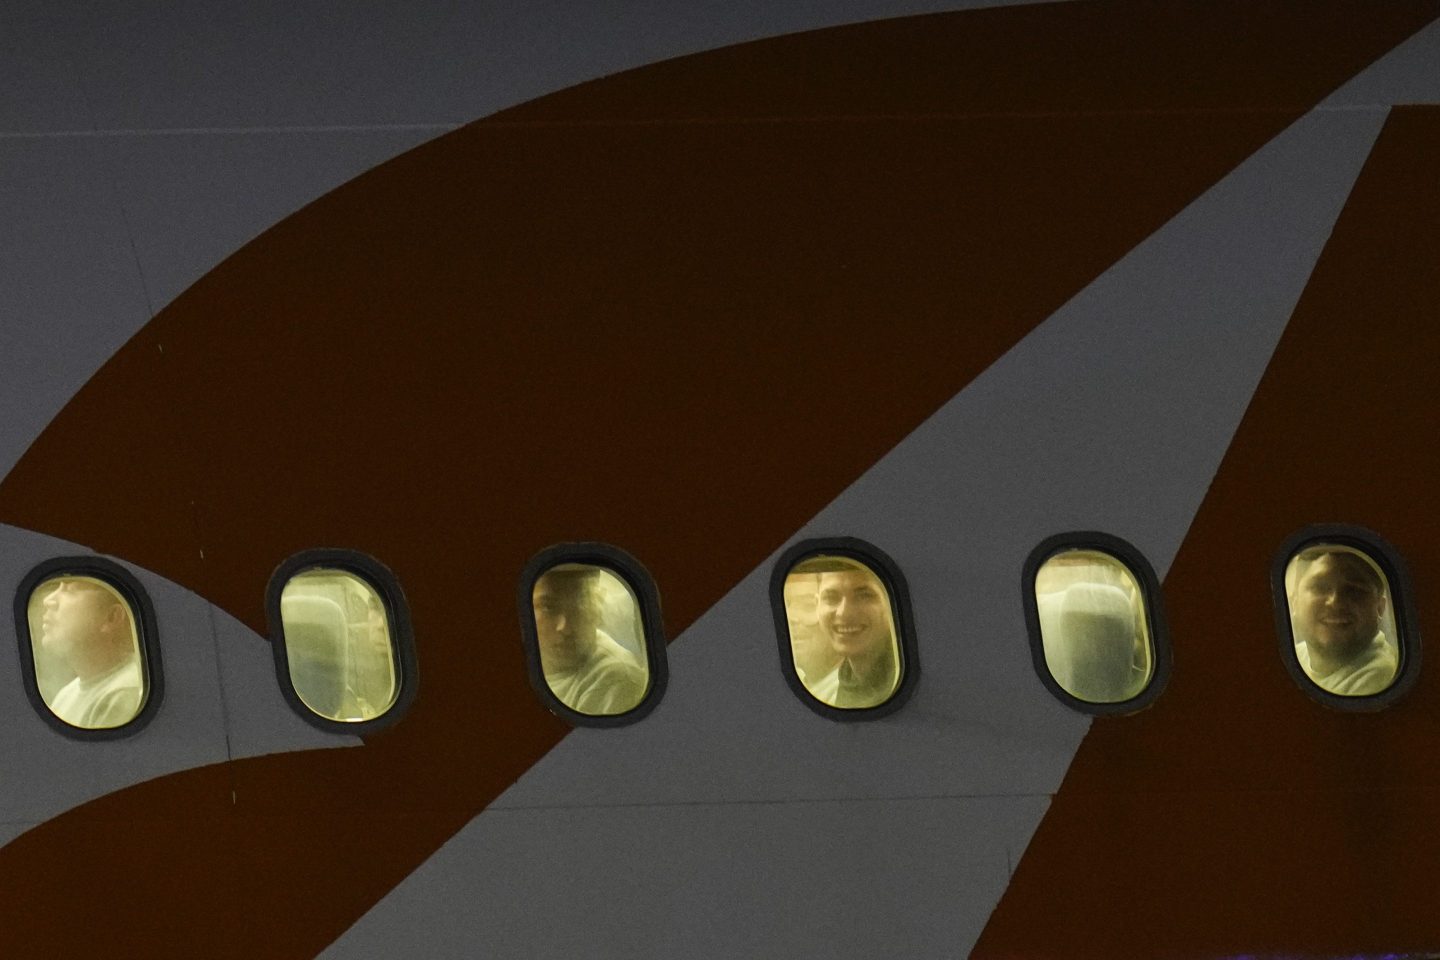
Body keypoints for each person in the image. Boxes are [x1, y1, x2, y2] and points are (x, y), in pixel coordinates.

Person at [532, 565, 647, 715]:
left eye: (578, 605)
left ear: (597, 607)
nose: (564, 627)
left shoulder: (613, 682)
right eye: (549, 608)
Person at [38, 577, 145, 728]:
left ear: (111, 617)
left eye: (70, 590)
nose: (48, 600)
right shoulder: (67, 694)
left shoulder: (124, 693)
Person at [1289, 548, 1397, 696]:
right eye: (1319, 587)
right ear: (1294, 603)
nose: (1335, 601)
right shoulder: (1298, 654)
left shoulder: (1380, 678)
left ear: (1379, 608)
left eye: (1354, 590)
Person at [793, 559, 899, 709]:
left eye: (864, 595)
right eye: (831, 598)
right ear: (818, 606)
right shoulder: (846, 680)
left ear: (892, 603)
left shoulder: (899, 678)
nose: (844, 613)